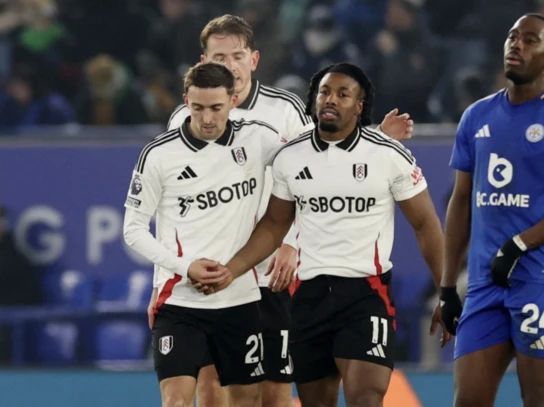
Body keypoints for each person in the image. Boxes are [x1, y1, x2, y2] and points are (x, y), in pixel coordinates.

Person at [160, 14, 415, 407]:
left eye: (237, 56)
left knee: (276, 388)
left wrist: (292, 242)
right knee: (212, 389)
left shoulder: (285, 110)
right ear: (203, 61)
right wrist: (165, 276)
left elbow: (320, 163)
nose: (229, 66)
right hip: (215, 270)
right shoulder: (187, 118)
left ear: (254, 59)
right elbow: (176, 204)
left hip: (269, 273)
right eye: (219, 56)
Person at [204, 62, 449, 407]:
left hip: (365, 293)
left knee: (365, 397)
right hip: (307, 298)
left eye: (342, 93)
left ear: (359, 106)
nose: (330, 99)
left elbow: (426, 225)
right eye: (324, 92)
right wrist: (233, 269)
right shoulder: (291, 157)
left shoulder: (388, 154)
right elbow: (274, 226)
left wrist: (446, 291)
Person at [123, 61, 288, 407]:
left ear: (233, 101)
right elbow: (133, 230)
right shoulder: (159, 155)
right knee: (176, 402)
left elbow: (313, 154)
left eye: (216, 108)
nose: (207, 118)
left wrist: (379, 137)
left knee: (246, 401)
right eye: (197, 108)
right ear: (185, 101)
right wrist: (185, 267)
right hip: (180, 300)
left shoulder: (260, 139)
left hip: (240, 300)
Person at [441, 13, 544, 407]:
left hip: (537, 280)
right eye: (512, 36)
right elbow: (461, 201)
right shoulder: (477, 116)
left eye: (530, 39)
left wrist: (518, 245)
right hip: (485, 285)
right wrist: (449, 287)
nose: (516, 44)